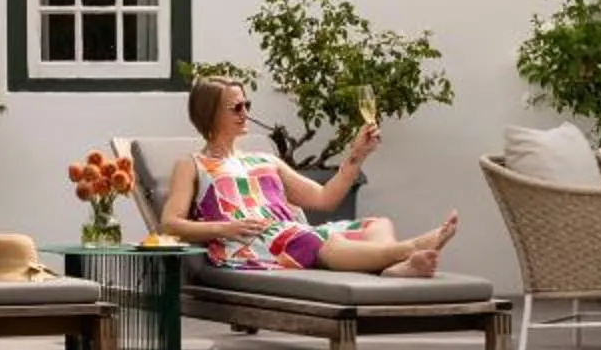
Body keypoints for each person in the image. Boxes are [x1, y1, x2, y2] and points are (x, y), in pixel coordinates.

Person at [163, 78, 461, 277]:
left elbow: (324, 198)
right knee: (310, 237)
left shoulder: (265, 160)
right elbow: (170, 224)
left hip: (288, 233)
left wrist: (357, 155)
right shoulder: (192, 165)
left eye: (247, 105)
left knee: (376, 224)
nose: (245, 113)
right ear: (209, 114)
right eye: (236, 107)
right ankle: (409, 249)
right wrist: (225, 228)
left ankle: (393, 270)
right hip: (251, 244)